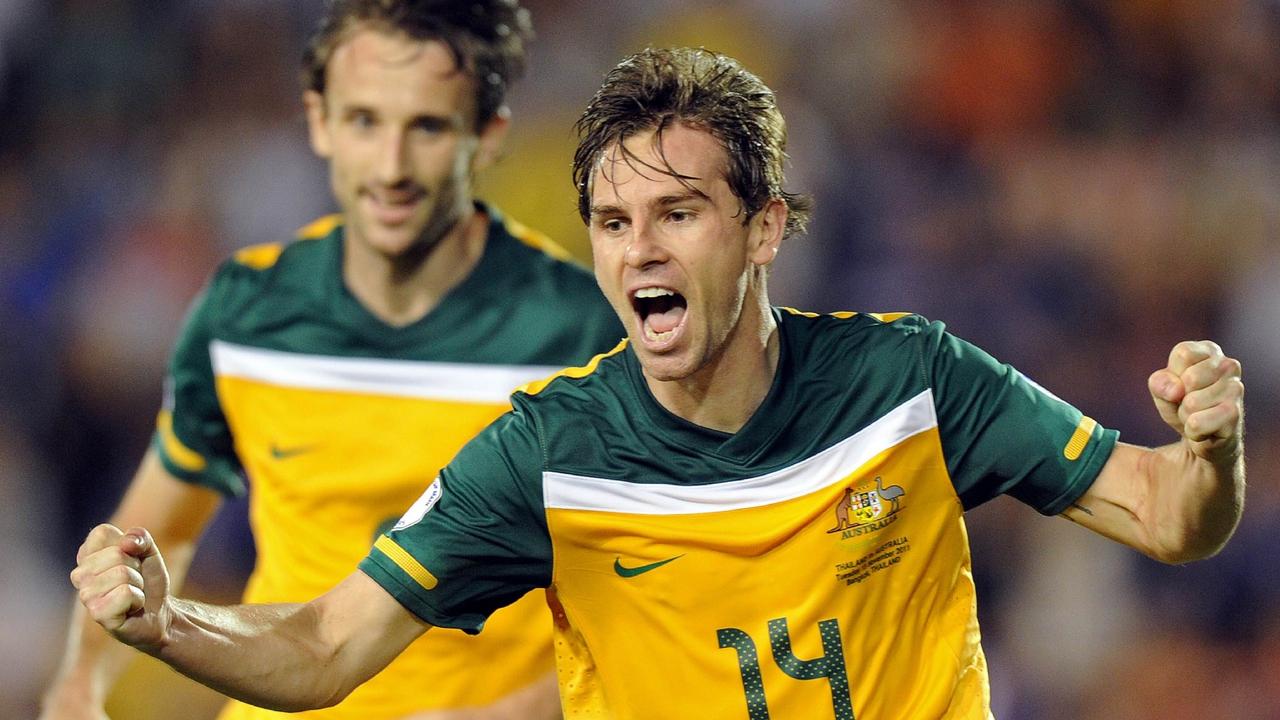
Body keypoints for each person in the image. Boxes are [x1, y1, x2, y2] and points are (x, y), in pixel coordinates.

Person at [69, 47, 1246, 719]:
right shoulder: (546, 451)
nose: (637, 249)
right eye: (611, 221)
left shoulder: (909, 380)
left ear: (765, 227)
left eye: (677, 213)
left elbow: (1165, 520)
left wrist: (1208, 454)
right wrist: (169, 623)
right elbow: (325, 644)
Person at [44, 2, 623, 719]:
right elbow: (154, 532)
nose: (391, 167)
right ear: (318, 122)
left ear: (490, 133)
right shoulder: (245, 311)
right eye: (364, 121)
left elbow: (652, 592)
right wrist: (79, 689)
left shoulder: (584, 331)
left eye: (429, 127)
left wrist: (514, 714)